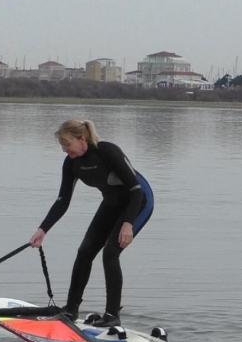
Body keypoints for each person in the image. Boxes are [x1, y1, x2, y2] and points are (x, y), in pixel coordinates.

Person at [29, 120, 154, 327]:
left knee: (110, 253)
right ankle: (70, 310)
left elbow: (136, 190)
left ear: (82, 139)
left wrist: (128, 224)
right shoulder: (71, 163)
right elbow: (63, 200)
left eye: (67, 144)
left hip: (138, 203)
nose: (65, 150)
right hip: (112, 203)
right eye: (62, 146)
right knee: (85, 251)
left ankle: (112, 316)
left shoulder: (107, 151)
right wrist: (43, 229)